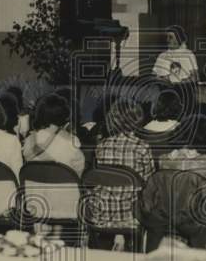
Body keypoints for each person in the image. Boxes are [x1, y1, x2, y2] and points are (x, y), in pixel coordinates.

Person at [90, 98, 155, 230]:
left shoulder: (101, 146)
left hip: (103, 212)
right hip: (131, 215)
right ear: (138, 119)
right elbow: (150, 182)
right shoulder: (142, 147)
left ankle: (117, 237)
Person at [22, 93, 85, 176]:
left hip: (34, 187)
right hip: (64, 186)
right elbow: (79, 171)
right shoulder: (72, 141)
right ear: (64, 115)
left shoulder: (29, 140)